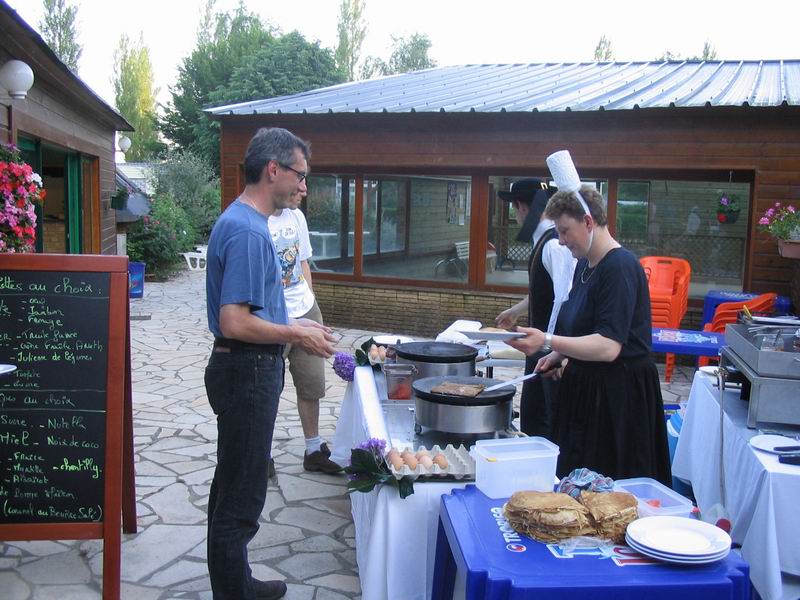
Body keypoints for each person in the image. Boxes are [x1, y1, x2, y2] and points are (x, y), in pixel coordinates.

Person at [204, 127, 336, 600]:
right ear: (273, 170)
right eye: (300, 175)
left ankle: (237, 582)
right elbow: (234, 321)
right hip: (246, 370)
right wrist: (297, 333)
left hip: (247, 367)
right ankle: (233, 593)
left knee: (234, 483)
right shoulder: (246, 230)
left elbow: (258, 310)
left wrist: (300, 325)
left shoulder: (249, 222)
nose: (304, 186)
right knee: (241, 496)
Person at [508, 184, 671, 486]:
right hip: (586, 395)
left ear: (587, 222)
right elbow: (584, 327)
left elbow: (609, 346)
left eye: (565, 231)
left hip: (617, 403)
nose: (561, 240)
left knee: (608, 495)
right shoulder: (584, 264)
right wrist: (558, 355)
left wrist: (547, 341)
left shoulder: (620, 267)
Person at [495, 178, 576, 437]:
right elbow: (544, 291)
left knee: (544, 421)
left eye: (514, 209)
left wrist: (555, 349)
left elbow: (565, 298)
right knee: (532, 415)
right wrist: (516, 310)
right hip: (540, 347)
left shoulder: (553, 244)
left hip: (549, 351)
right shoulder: (543, 239)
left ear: (521, 207)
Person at [268, 192, 342, 474]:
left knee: (312, 383)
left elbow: (302, 262)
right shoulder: (257, 221)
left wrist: (309, 299)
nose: (303, 190)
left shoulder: (296, 216)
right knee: (267, 388)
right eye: (299, 181)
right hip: (273, 317)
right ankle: (262, 455)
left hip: (306, 310)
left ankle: (313, 450)